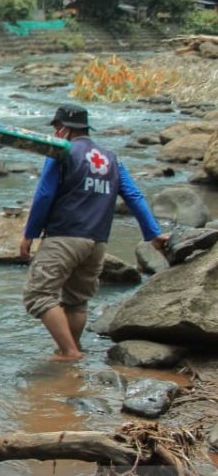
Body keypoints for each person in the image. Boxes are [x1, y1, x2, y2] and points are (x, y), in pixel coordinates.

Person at [19, 105, 169, 362]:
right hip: (97, 242)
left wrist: (29, 234)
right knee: (76, 301)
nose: (55, 133)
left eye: (56, 128)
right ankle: (71, 350)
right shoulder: (111, 157)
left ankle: (70, 352)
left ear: (64, 129)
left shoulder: (60, 152)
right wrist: (152, 233)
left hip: (64, 236)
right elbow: (133, 194)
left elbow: (44, 195)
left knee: (38, 295)